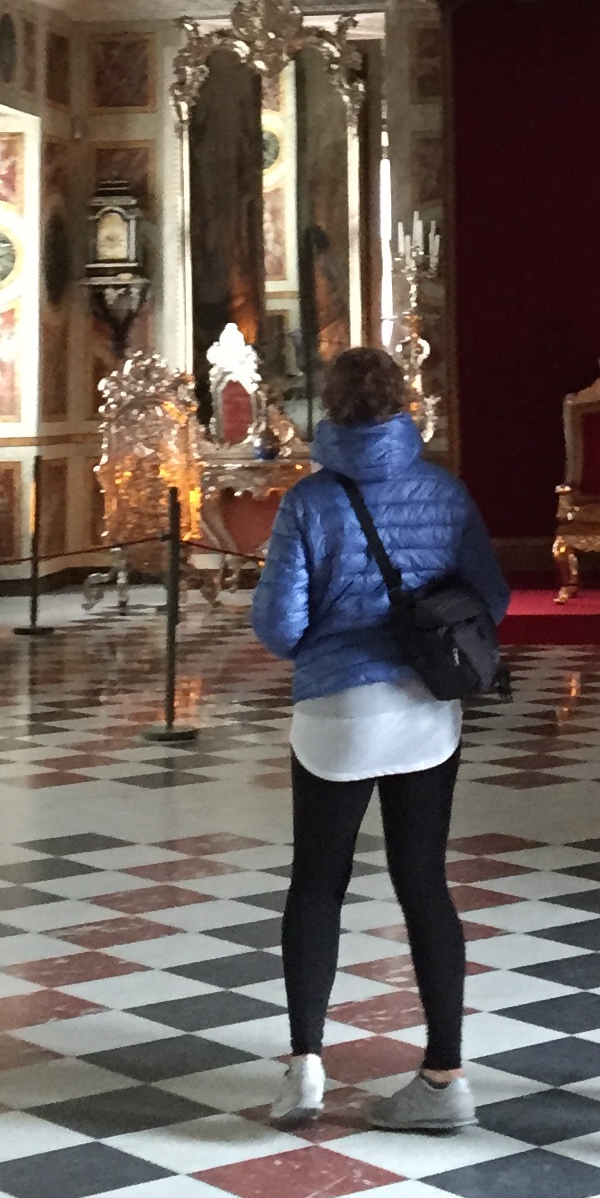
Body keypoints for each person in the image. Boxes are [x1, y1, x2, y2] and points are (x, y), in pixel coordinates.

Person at [251, 343, 507, 1130]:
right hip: (424, 709)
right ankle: (444, 1079)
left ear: (328, 411)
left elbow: (279, 624)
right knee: (424, 883)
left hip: (336, 714)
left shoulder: (308, 502)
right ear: (405, 405)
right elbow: (490, 597)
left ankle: (304, 1069)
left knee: (316, 885)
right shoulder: (446, 492)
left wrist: (330, 637)